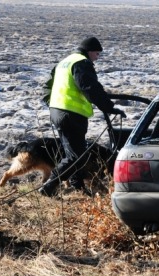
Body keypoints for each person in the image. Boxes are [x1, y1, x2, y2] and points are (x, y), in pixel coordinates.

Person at [39, 37, 126, 197]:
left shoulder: (65, 62)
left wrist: (51, 104)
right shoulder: (81, 63)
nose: (97, 58)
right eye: (97, 54)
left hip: (57, 112)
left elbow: (47, 87)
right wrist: (109, 107)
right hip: (72, 114)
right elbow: (90, 87)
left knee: (71, 152)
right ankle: (49, 186)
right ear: (90, 51)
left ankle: (77, 186)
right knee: (77, 156)